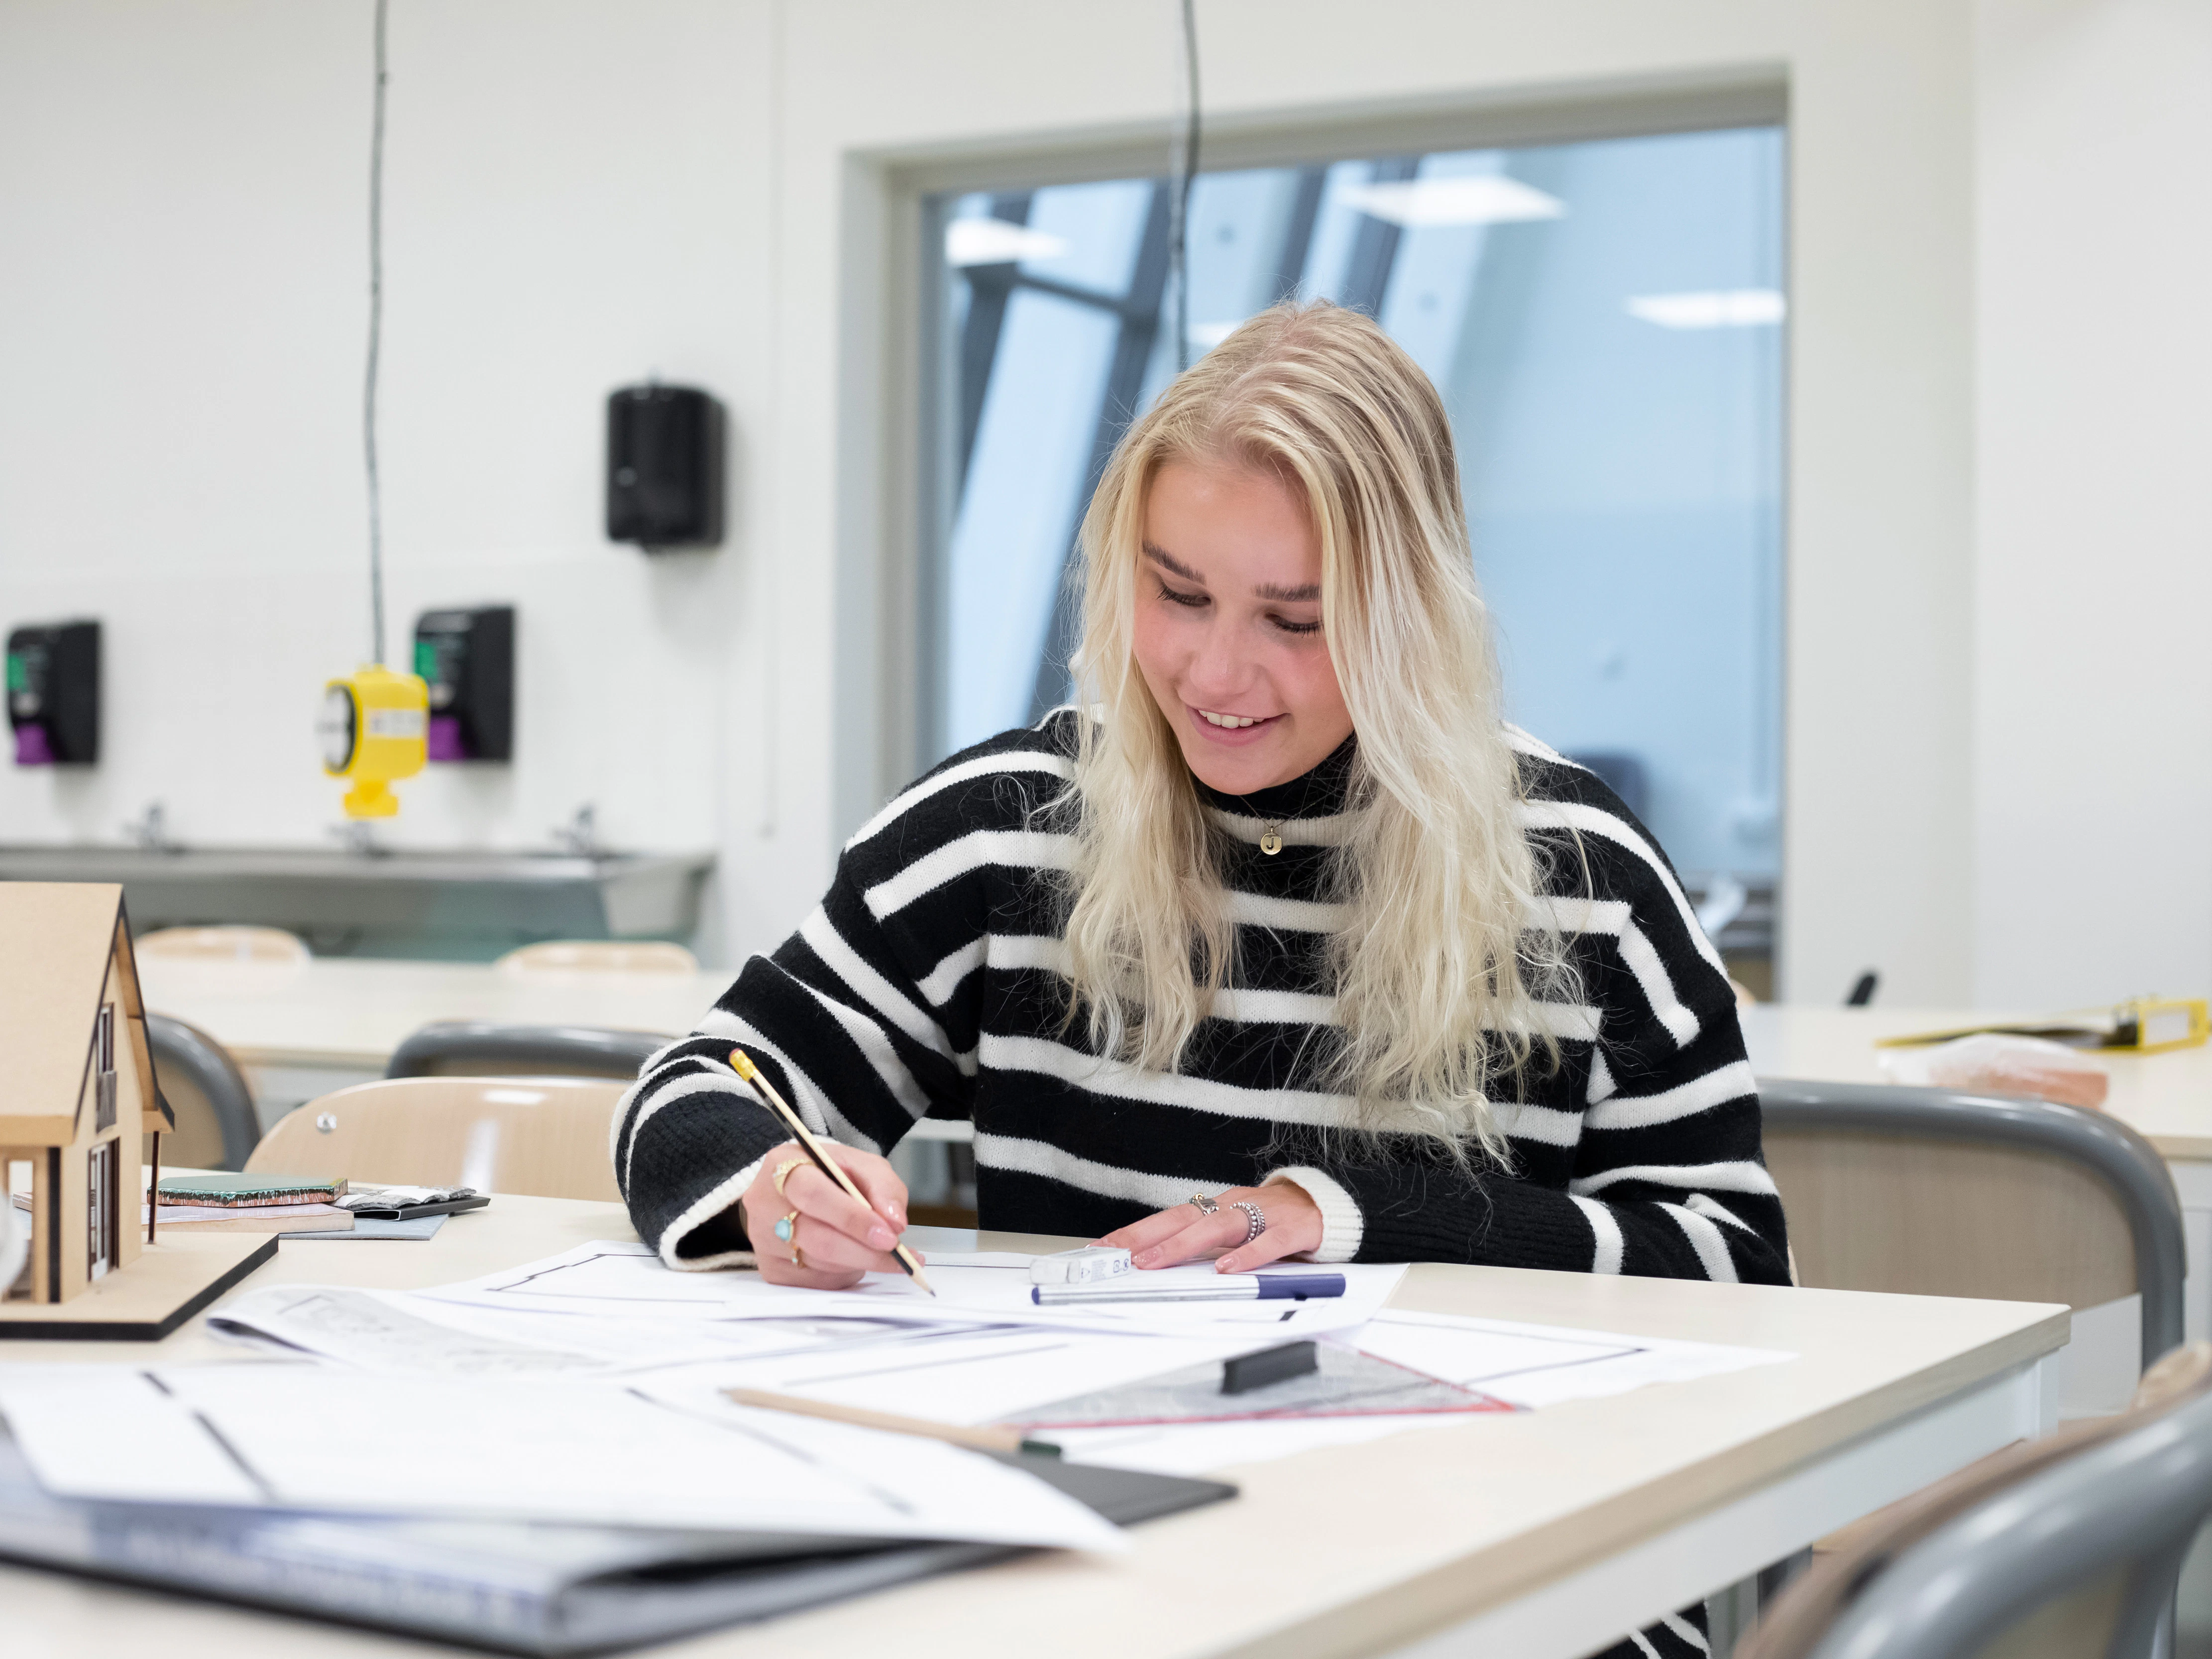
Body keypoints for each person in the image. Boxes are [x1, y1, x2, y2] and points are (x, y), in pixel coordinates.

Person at [618, 300, 1783, 1657]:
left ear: (1410, 615)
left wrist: (1352, 1218)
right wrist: (769, 1179)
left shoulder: (1575, 875)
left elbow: (1739, 1273)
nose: (1217, 674)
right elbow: (699, 1087)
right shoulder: (1008, 826)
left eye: (1298, 619)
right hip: (1097, 1570)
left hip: (1496, 1570)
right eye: (1175, 594)